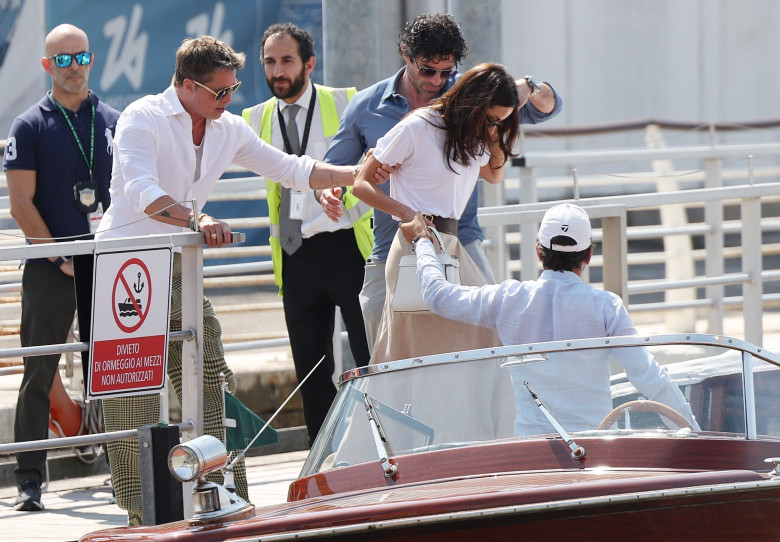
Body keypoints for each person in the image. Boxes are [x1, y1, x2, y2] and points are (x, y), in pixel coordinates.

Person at [94, 35, 386, 526]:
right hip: (127, 267)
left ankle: (220, 487)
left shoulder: (226, 127)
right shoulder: (141, 117)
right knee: (132, 395)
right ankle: (140, 511)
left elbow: (291, 169)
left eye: (233, 90)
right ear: (189, 86)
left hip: (179, 266)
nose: (231, 101)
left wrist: (357, 172)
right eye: (221, 92)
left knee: (209, 372)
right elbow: (141, 189)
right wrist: (197, 220)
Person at [320, 13, 562, 351]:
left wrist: (505, 113)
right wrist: (331, 190)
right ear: (407, 54)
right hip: (401, 240)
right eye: (428, 70)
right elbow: (345, 172)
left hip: (458, 239)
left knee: (490, 339)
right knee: (386, 344)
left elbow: (539, 118)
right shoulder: (389, 112)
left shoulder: (474, 109)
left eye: (447, 72)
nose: (438, 80)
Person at [399, 203, 699, 434]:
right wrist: (695, 434)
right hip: (596, 451)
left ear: (539, 252)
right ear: (589, 256)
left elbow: (439, 296)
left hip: (532, 454)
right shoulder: (606, 306)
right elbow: (649, 377)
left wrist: (422, 241)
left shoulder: (508, 298)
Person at [2, 24, 120, 512]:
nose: (75, 66)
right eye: (63, 59)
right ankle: (29, 479)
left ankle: (125, 471)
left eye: (82, 56)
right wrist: (59, 255)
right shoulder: (29, 125)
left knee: (113, 370)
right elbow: (20, 204)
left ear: (91, 60)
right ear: (48, 66)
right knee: (38, 370)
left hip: (107, 264)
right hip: (51, 266)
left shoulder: (114, 120)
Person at [242, 23, 372, 444]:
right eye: (270, 61)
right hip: (295, 255)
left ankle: (385, 447)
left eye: (286, 61)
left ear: (309, 64)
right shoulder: (253, 118)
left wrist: (346, 200)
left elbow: (377, 170)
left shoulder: (347, 102)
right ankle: (324, 464)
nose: (277, 70)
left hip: (347, 249)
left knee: (373, 357)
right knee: (312, 373)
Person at [353, 63, 520, 363]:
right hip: (413, 246)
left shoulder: (474, 136)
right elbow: (361, 185)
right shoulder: (417, 125)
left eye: (500, 122)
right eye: (491, 118)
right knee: (411, 352)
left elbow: (495, 174)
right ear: (475, 105)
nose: (493, 126)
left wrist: (496, 127)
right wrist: (406, 213)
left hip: (452, 246)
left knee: (488, 338)